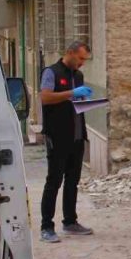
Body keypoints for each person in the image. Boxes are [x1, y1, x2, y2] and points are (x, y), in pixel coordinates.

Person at [39, 41, 95, 243]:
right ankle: (46, 226)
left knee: (73, 181)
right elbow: (45, 98)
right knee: (54, 181)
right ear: (69, 53)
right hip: (58, 136)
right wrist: (72, 93)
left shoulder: (78, 76)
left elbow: (74, 103)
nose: (82, 64)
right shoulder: (51, 72)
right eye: (80, 59)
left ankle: (70, 221)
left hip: (77, 135)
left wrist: (84, 100)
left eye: (85, 60)